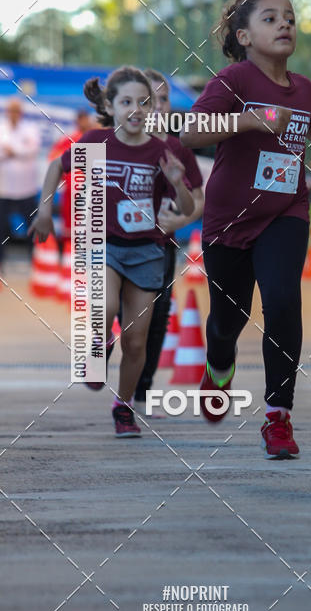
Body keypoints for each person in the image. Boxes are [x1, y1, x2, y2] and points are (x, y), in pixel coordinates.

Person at [182, 0, 311, 459]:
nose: (285, 25)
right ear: (244, 36)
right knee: (229, 318)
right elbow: (191, 131)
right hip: (230, 218)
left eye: (290, 18)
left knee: (282, 301)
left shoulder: (302, 86)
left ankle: (277, 416)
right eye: (270, 18)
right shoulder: (233, 79)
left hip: (286, 211)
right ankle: (219, 364)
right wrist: (253, 119)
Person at [28, 66, 194, 438]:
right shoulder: (96, 141)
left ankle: (123, 406)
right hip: (105, 246)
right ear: (110, 106)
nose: (135, 109)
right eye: (126, 102)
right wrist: (43, 210)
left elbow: (184, 209)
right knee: (105, 307)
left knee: (137, 342)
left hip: (147, 252)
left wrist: (177, 183)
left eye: (143, 102)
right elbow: (57, 166)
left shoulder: (161, 150)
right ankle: (99, 347)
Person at [133, 69, 205, 410]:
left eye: (162, 99)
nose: (156, 106)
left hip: (161, 246)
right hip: (117, 249)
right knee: (124, 315)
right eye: (148, 100)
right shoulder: (115, 143)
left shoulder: (177, 148)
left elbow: (199, 198)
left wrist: (181, 217)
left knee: (158, 315)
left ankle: (141, 391)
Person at [0, 98, 41, 274]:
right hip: (4, 189)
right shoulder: (1, 128)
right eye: (11, 110)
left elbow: (32, 149)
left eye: (17, 110)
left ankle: (37, 264)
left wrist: (13, 150)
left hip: (26, 189)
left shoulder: (30, 128)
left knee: (33, 227)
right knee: (1, 229)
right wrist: (18, 151)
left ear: (21, 113)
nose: (14, 114)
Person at [48, 108, 97, 243]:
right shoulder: (69, 139)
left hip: (93, 191)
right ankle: (69, 257)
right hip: (71, 191)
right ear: (77, 122)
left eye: (85, 119)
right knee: (69, 227)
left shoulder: (96, 138)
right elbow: (53, 157)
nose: (83, 123)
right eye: (80, 120)